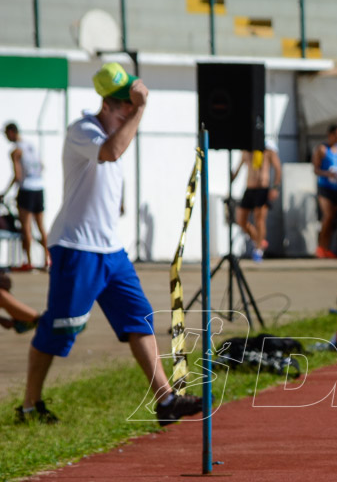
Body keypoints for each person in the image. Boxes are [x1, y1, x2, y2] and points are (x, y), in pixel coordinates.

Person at [17, 62, 202, 425]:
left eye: (134, 104)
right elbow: (111, 152)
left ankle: (165, 400)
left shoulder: (117, 129)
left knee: (140, 319)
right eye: (127, 103)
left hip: (110, 251)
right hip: (76, 247)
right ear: (109, 104)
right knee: (59, 327)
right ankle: (27, 406)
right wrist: (142, 110)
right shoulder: (83, 129)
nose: (132, 109)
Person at [2, 122, 49, 271]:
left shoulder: (16, 151)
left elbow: (18, 175)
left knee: (26, 227)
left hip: (26, 189)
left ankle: (29, 261)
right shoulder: (31, 145)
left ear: (11, 132)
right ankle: (47, 259)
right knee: (41, 226)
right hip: (39, 187)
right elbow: (42, 166)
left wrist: (5, 192)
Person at [231, 139, 281, 262]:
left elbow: (278, 169)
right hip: (249, 189)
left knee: (259, 219)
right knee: (241, 220)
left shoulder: (268, 151)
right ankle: (258, 240)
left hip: (262, 188)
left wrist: (275, 187)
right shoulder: (246, 152)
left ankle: (258, 249)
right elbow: (237, 169)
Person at [313, 125, 337, 259]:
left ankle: (327, 247)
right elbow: (315, 169)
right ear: (330, 135)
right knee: (328, 216)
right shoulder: (322, 149)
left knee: (333, 219)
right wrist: (328, 174)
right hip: (324, 187)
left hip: (336, 188)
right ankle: (320, 247)